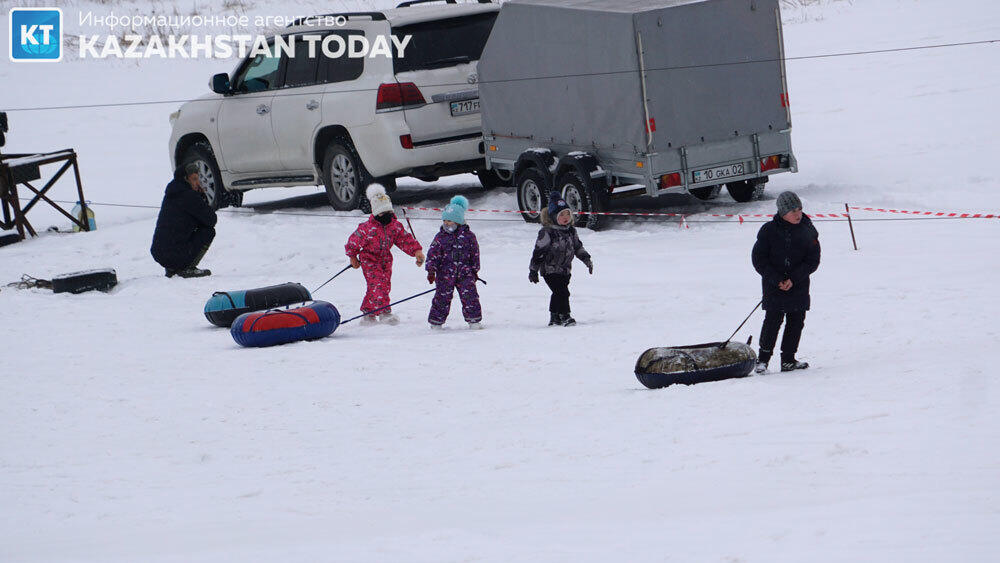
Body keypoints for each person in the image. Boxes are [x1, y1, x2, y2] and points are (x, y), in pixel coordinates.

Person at [751, 191, 821, 373]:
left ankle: (788, 360)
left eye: (799, 209)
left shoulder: (808, 230)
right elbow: (759, 259)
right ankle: (763, 360)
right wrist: (776, 279)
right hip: (774, 285)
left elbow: (813, 260)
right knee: (773, 320)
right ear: (782, 212)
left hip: (798, 285)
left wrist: (794, 278)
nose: (798, 214)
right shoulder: (768, 231)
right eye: (792, 211)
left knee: (796, 321)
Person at [345, 184, 425, 325]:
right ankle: (384, 313)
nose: (386, 216)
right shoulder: (367, 228)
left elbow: (404, 239)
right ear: (375, 213)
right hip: (369, 259)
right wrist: (353, 257)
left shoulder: (394, 226)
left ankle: (368, 313)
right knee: (378, 284)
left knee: (382, 286)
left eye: (388, 211)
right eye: (382, 213)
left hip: (385, 260)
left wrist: (416, 251)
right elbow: (353, 241)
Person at [528, 192, 593, 326]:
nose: (565, 217)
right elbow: (539, 252)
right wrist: (533, 270)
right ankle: (565, 315)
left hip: (565, 270)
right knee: (562, 292)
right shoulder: (547, 232)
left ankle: (554, 316)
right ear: (553, 217)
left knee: (558, 293)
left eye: (567, 214)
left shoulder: (571, 231)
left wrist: (587, 260)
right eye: (561, 215)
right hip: (549, 270)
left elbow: (577, 247)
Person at [150, 162, 216, 278]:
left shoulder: (173, 192)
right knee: (208, 231)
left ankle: (172, 268)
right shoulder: (188, 195)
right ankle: (187, 268)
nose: (198, 183)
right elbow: (211, 219)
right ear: (186, 179)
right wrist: (202, 197)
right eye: (194, 179)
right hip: (173, 253)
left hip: (159, 252)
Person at [425, 196, 483, 330]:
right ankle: (436, 322)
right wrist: (431, 270)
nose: (446, 223)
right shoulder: (440, 237)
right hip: (445, 275)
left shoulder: (469, 236)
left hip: (465, 274)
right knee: (442, 298)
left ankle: (474, 320)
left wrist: (474, 270)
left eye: (449, 220)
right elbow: (432, 254)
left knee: (470, 297)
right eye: (444, 220)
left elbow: (475, 253)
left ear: (458, 221)